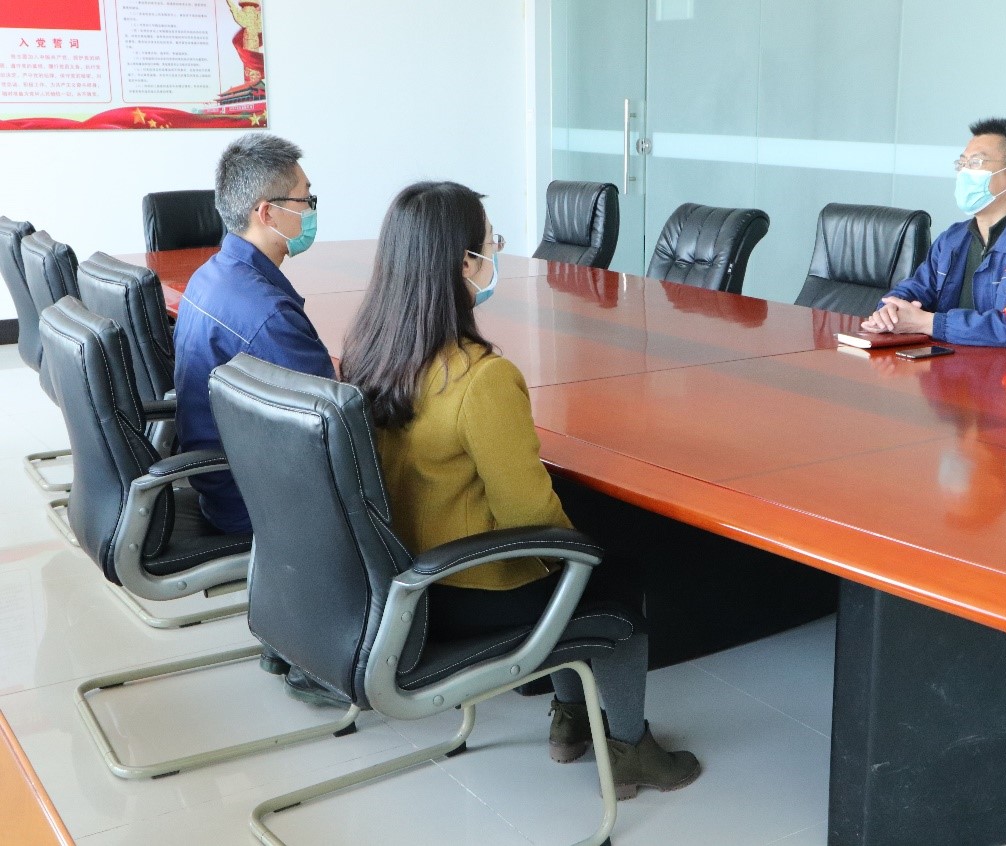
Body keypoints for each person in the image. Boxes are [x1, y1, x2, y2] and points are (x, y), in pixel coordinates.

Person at [339, 180, 701, 800]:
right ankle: (629, 750)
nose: (494, 255)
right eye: (490, 244)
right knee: (612, 574)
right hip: (470, 590)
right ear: (462, 265)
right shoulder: (482, 379)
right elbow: (529, 513)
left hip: (406, 577)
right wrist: (582, 550)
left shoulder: (370, 351)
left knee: (574, 539)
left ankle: (570, 720)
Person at [172, 133, 337, 702]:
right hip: (251, 498)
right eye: (305, 200)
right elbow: (333, 428)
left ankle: (288, 630)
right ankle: (330, 653)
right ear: (267, 213)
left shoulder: (213, 274)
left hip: (223, 474)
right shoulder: (267, 313)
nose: (311, 211)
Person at [862, 118, 1006, 358]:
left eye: (976, 163)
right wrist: (889, 311)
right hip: (953, 371)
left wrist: (929, 323)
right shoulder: (952, 239)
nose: (964, 172)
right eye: (962, 164)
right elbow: (915, 289)